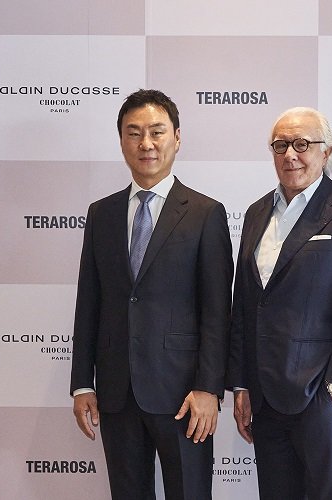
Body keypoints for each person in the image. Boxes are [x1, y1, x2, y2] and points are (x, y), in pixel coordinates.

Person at [70, 89, 233, 500]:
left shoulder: (205, 213)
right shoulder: (101, 214)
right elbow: (89, 303)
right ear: (121, 141)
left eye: (157, 132)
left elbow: (217, 311)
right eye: (134, 133)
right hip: (116, 391)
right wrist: (82, 383)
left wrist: (209, 388)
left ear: (176, 137)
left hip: (184, 395)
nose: (146, 143)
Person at [227, 107, 332, 500]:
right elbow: (245, 304)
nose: (290, 154)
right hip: (265, 396)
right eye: (280, 145)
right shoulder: (256, 213)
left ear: (326, 151)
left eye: (302, 144)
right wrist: (242, 383)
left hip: (322, 393)